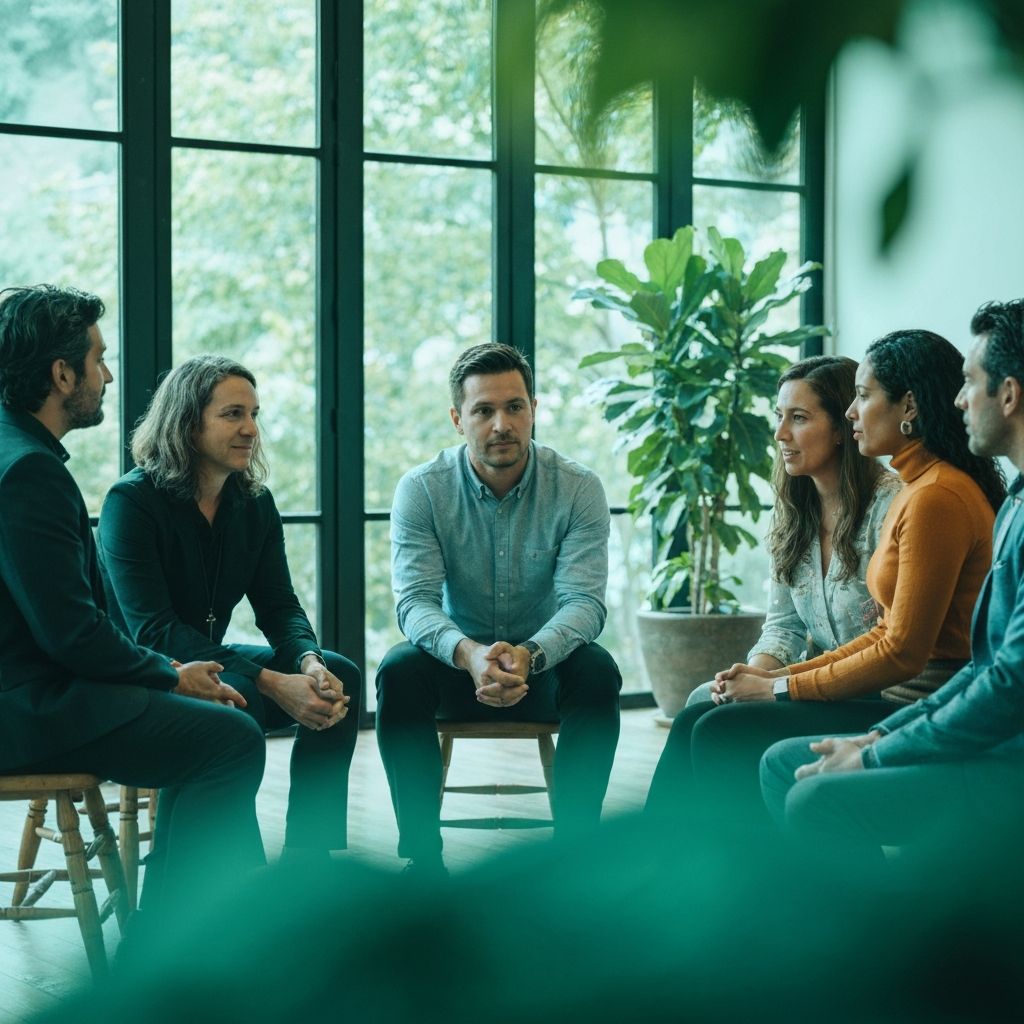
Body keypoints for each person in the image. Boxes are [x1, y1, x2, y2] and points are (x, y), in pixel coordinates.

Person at [647, 329, 1006, 824]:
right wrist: (772, 676)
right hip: (896, 695)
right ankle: (669, 869)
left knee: (719, 731)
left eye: (862, 397)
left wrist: (776, 688)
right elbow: (879, 633)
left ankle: (728, 881)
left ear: (909, 407)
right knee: (701, 714)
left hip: (907, 703)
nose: (853, 413)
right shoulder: (921, 491)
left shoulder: (931, 496)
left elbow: (900, 651)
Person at [0, 284, 266, 919]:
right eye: (98, 359)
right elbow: (70, 633)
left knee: (208, 734)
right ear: (63, 373)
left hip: (35, 691)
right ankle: (182, 953)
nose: (108, 374)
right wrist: (168, 676)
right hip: (27, 710)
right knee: (231, 739)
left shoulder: (15, 453)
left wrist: (164, 680)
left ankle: (178, 936)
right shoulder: (31, 473)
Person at [761, 300, 1024, 855]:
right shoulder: (981, 499)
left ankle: (866, 932)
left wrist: (874, 743)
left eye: (862, 396)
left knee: (795, 778)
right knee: (748, 740)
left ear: (1008, 395)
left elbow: (920, 656)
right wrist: (873, 735)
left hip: (958, 721)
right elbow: (985, 667)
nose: (958, 400)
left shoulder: (938, 496)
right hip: (931, 703)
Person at [97, 355, 360, 859]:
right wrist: (272, 682)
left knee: (338, 677)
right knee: (235, 694)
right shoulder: (131, 502)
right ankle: (228, 879)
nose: (250, 429)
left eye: (255, 414)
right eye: (233, 414)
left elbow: (280, 605)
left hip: (208, 660)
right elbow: (154, 631)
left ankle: (310, 863)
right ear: (188, 423)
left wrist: (309, 663)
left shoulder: (253, 503)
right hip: (144, 672)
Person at [375, 342, 621, 873]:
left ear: (534, 408)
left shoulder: (578, 488)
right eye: (483, 410)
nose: (501, 424)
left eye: (515, 406)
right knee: (397, 671)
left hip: (543, 670)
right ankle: (423, 859)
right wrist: (469, 655)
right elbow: (414, 602)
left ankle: (577, 858)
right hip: (459, 669)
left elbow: (585, 602)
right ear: (457, 419)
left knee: (599, 670)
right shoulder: (422, 489)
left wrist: (531, 654)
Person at [646, 355, 900, 814]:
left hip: (873, 697)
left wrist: (776, 685)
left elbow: (890, 646)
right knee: (705, 700)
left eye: (798, 418)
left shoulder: (891, 507)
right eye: (779, 417)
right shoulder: (793, 511)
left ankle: (725, 863)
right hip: (813, 688)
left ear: (844, 425)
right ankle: (667, 860)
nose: (781, 434)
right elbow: (782, 627)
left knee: (719, 728)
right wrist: (754, 674)